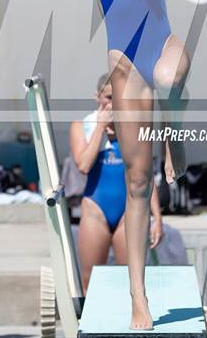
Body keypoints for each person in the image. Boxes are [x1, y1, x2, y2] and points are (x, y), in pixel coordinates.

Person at [80, 0, 194, 329]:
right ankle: (137, 297)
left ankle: (173, 132)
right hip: (125, 65)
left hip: (161, 48)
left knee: (173, 73)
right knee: (138, 181)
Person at [70, 74, 163, 294]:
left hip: (128, 210)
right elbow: (83, 165)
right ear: (97, 97)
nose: (113, 105)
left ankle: (124, 326)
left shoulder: (135, 127)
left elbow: (145, 177)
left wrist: (157, 218)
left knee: (129, 278)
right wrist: (100, 129)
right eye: (109, 98)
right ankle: (90, 326)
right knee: (89, 279)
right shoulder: (82, 125)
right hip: (95, 208)